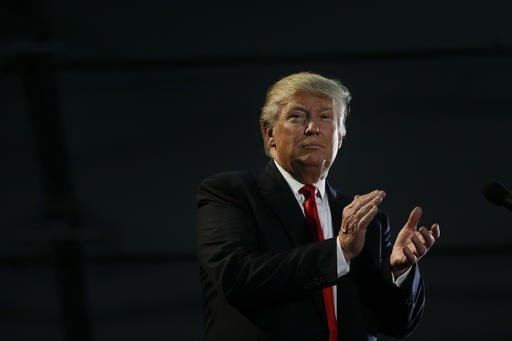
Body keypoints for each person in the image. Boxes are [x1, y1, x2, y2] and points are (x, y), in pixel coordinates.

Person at [196, 72, 440, 341]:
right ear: (269, 134)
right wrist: (340, 251)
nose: (313, 128)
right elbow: (237, 279)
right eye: (297, 116)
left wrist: (399, 272)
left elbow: (395, 324)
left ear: (340, 137)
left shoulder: (367, 219)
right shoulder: (230, 194)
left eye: (326, 117)